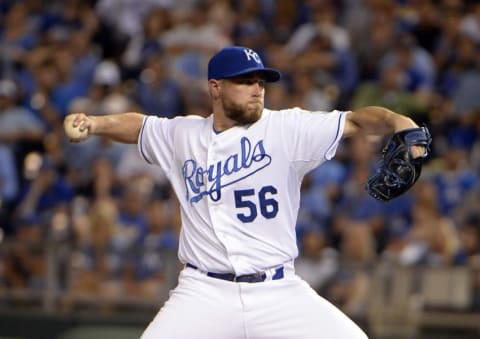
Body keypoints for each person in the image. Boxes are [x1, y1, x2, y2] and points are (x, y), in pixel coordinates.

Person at [65, 46, 426, 339]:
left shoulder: (287, 128)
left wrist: (399, 121)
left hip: (278, 291)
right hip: (204, 292)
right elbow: (139, 126)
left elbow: (357, 120)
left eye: (260, 81)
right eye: (245, 81)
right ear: (216, 87)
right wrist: (96, 123)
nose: (257, 89)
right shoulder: (184, 134)